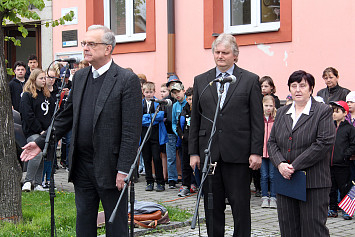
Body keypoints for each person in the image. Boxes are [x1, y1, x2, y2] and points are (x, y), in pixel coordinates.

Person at [20, 25, 142, 237]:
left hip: (111, 167)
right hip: (82, 165)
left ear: (108, 49)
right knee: (84, 222)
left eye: (91, 44)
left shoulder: (125, 80)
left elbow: (131, 130)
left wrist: (124, 169)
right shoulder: (81, 76)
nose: (85, 48)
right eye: (84, 43)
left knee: (116, 226)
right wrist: (41, 142)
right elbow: (66, 116)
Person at [189, 33, 264, 237]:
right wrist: (193, 153)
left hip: (238, 155)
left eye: (225, 52)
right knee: (212, 206)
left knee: (240, 206)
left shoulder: (249, 80)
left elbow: (257, 121)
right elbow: (195, 119)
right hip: (210, 156)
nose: (220, 56)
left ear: (235, 56)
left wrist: (256, 151)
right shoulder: (201, 80)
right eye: (217, 52)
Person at [268, 70, 336, 237]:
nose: (298, 89)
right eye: (294, 86)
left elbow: (324, 142)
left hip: (313, 182)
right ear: (289, 89)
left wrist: (294, 165)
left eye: (302, 86)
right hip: (286, 180)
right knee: (288, 229)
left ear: (311, 89)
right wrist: (280, 164)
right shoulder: (283, 112)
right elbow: (272, 142)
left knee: (313, 230)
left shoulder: (322, 111)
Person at [20, 69, 55, 192]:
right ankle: (28, 181)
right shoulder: (27, 95)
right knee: (38, 152)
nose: (44, 80)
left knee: (43, 154)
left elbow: (52, 114)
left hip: (46, 132)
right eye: (41, 78)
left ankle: (38, 183)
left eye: (45, 78)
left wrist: (50, 131)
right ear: (34, 80)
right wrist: (40, 130)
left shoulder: (47, 96)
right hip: (33, 132)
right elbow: (28, 115)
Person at [327, 101, 355, 220]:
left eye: (337, 111)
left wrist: (345, 155)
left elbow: (353, 145)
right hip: (330, 163)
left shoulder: (349, 128)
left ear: (345, 113)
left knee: (344, 187)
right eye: (333, 111)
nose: (334, 114)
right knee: (331, 188)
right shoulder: (330, 126)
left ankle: (346, 210)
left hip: (343, 164)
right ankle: (332, 209)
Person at [141, 81, 167, 192]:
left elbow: (160, 116)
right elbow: (139, 119)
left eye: (151, 92)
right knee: (146, 159)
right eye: (147, 92)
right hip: (144, 134)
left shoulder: (158, 103)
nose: (149, 94)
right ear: (143, 92)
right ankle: (149, 182)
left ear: (154, 92)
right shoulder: (140, 103)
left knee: (156, 158)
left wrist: (146, 118)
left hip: (155, 134)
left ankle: (160, 182)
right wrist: (151, 118)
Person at [176, 87, 197, 197]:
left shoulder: (199, 111)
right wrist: (182, 136)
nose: (191, 101)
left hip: (196, 142)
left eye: (193, 99)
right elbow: (178, 126)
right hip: (185, 142)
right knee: (185, 164)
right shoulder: (184, 111)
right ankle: (185, 185)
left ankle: (196, 183)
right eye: (189, 99)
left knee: (197, 165)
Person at [260, 95, 277, 208]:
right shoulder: (259, 119)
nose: (268, 108)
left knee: (272, 175)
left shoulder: (276, 119)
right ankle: (265, 197)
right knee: (264, 176)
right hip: (261, 152)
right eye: (266, 105)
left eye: (271, 105)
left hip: (272, 152)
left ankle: (274, 197)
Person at [346, 91, 355, 182]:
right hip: (347, 153)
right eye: (347, 102)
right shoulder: (345, 116)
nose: (349, 104)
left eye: (351, 102)